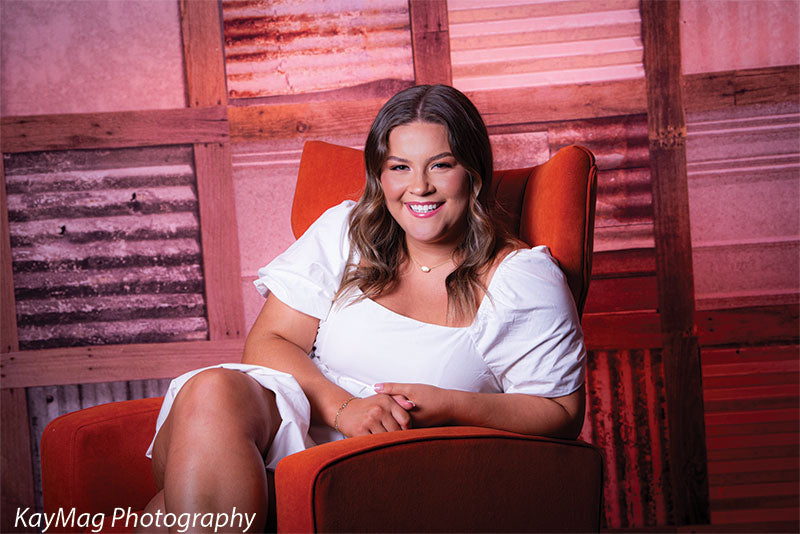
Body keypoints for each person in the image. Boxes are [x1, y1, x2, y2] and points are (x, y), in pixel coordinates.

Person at [142, 84, 586, 532]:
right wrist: (344, 408)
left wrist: (450, 405)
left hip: (396, 469)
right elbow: (268, 343)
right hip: (303, 429)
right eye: (400, 167)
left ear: (473, 172)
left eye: (441, 165)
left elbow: (561, 412)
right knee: (212, 389)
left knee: (169, 515)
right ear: (380, 175)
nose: (419, 187)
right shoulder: (347, 232)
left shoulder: (520, 278)